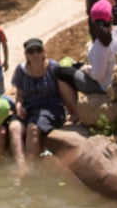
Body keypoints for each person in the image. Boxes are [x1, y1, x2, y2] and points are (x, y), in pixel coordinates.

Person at [8, 38, 76, 175]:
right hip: (29, 108)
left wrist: (73, 111)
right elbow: (20, 95)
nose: (35, 54)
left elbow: (65, 90)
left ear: (43, 52)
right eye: (31, 51)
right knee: (14, 127)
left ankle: (31, 164)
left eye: (38, 50)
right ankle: (21, 163)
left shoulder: (53, 67)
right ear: (26, 54)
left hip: (50, 108)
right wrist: (19, 106)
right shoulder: (21, 70)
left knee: (32, 128)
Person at [58, 0, 117, 94]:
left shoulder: (101, 45)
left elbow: (98, 76)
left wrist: (85, 69)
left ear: (93, 20)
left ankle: (73, 108)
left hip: (107, 87)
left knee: (63, 72)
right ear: (111, 17)